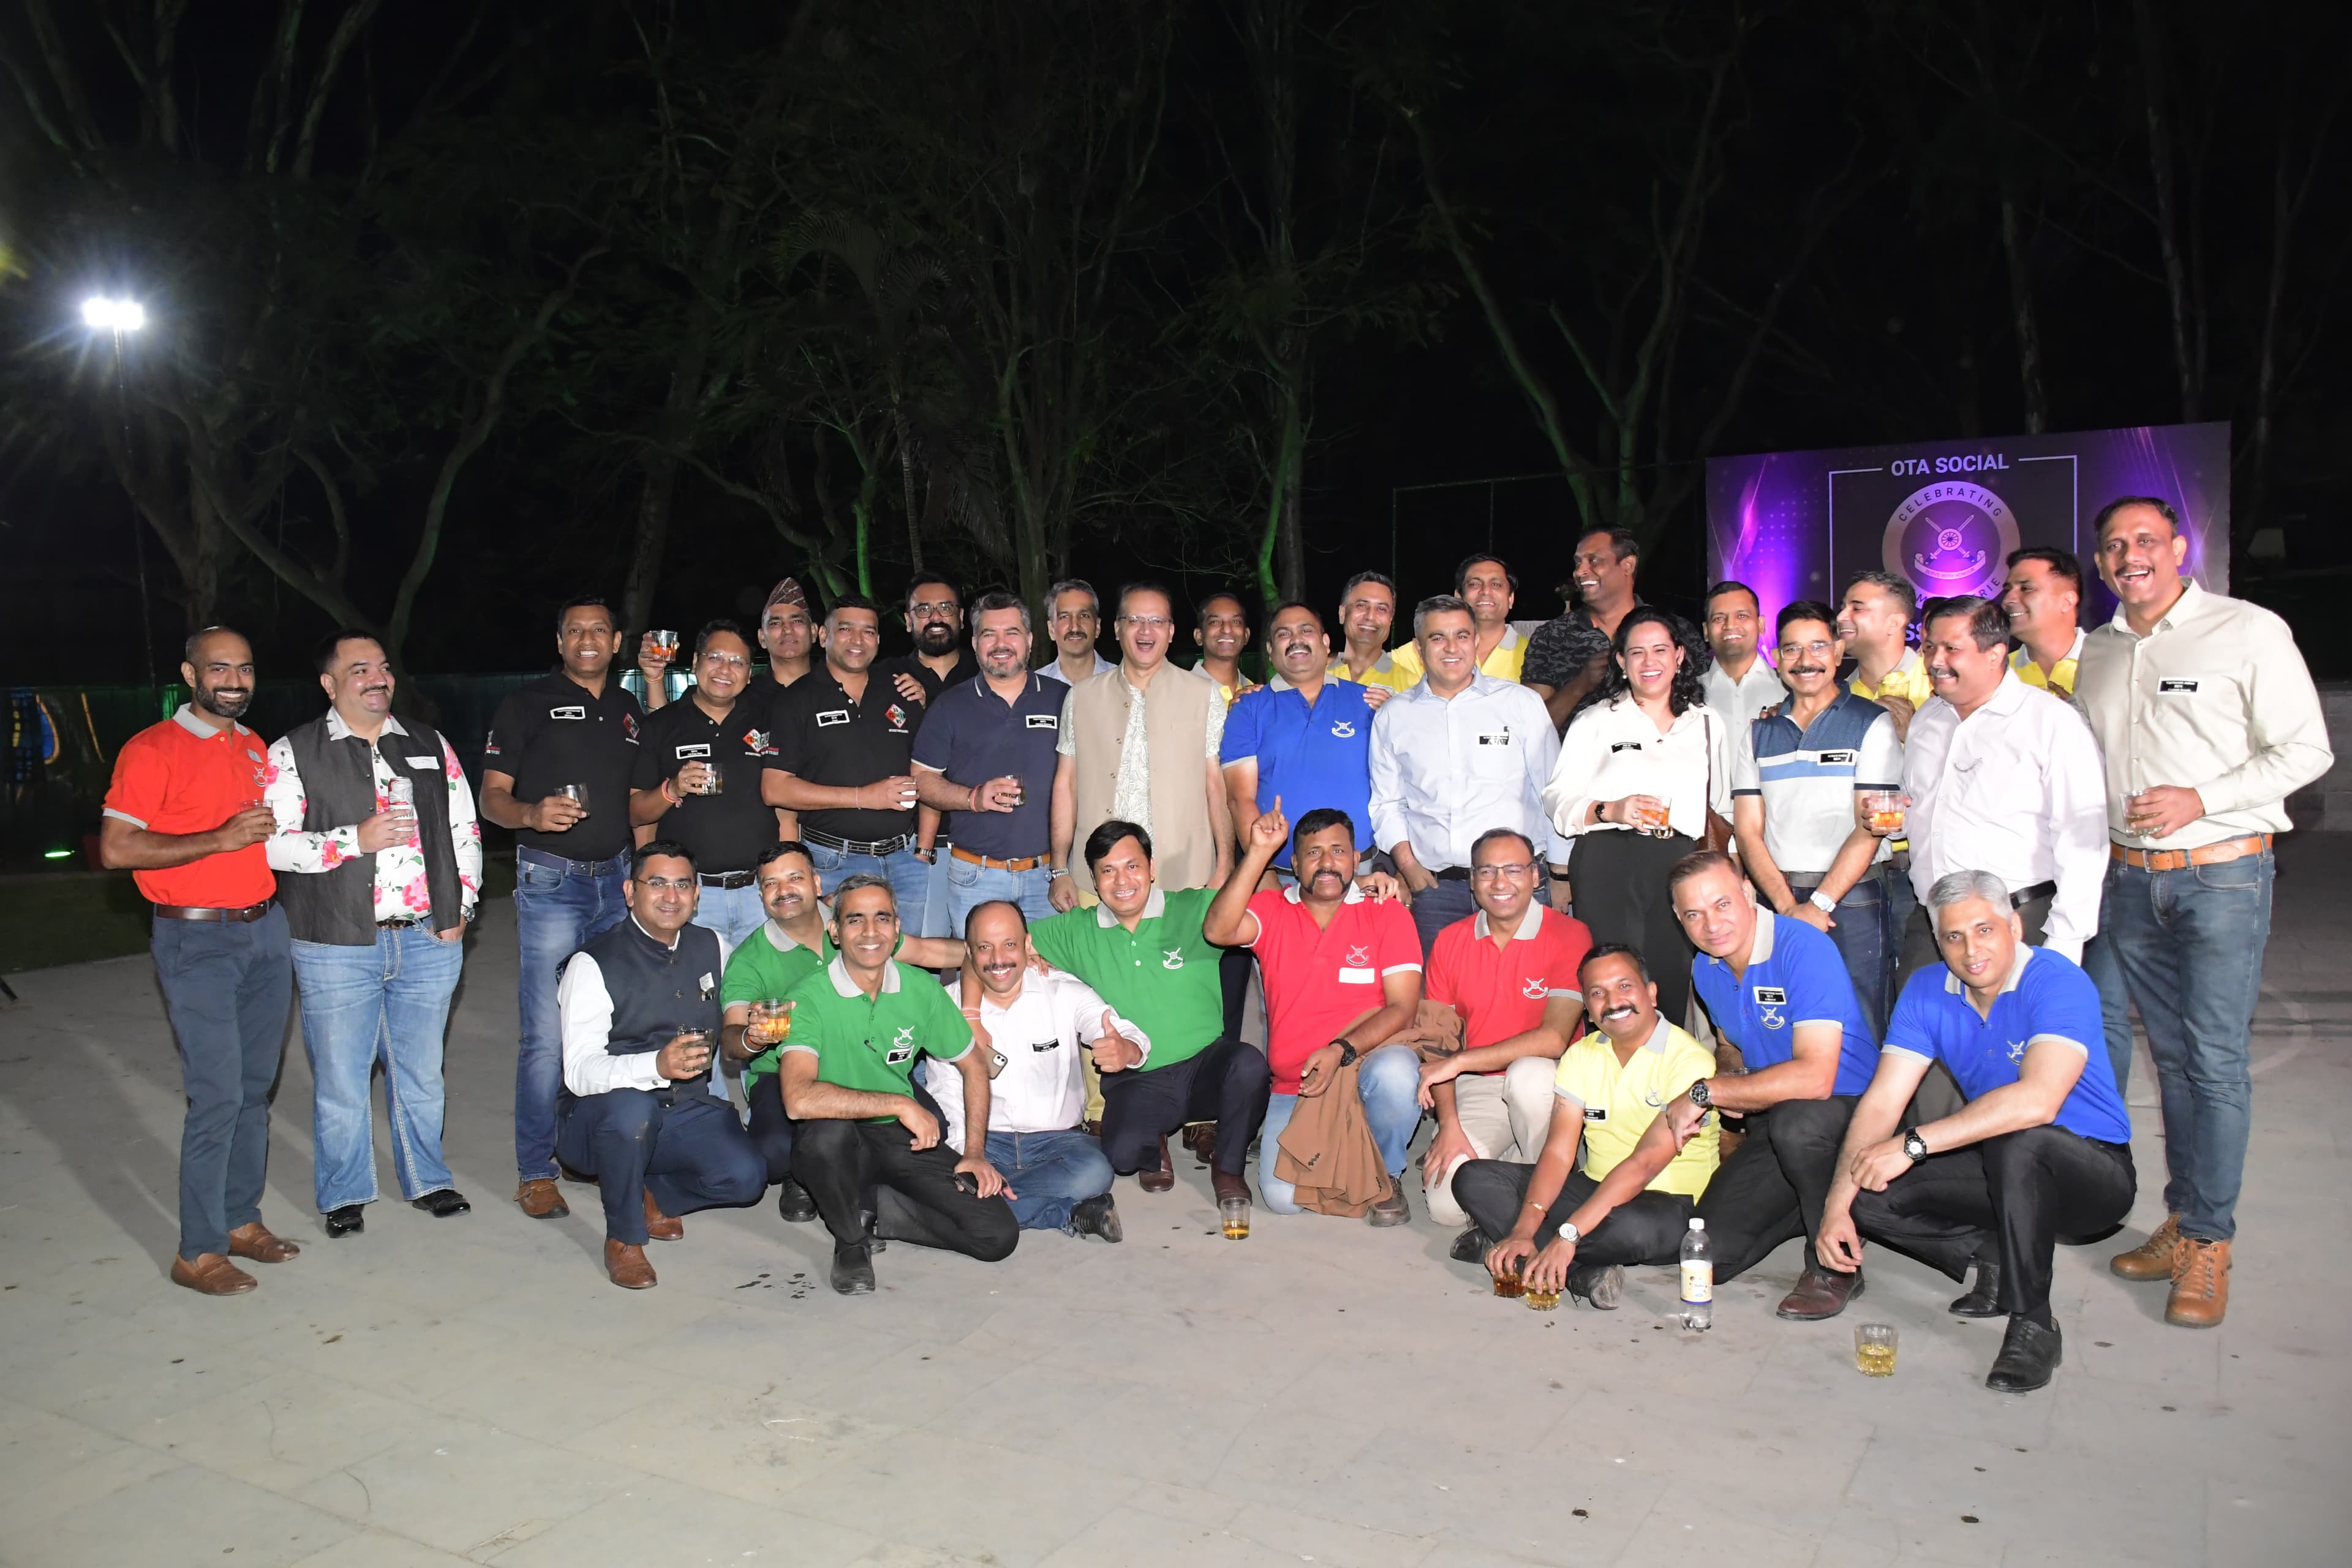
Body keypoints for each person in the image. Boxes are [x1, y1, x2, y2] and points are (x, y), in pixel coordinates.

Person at [2076, 496, 2332, 1327]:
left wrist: (2203, 799)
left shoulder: (2248, 631)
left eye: (2145, 541)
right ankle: (2183, 1220)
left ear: (2180, 548)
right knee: (2176, 1066)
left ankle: (2211, 1243)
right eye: (2114, 547)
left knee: (2215, 1063)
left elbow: (2306, 749)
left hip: (2220, 878)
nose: (2129, 557)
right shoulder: (2103, 651)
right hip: (2130, 881)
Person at [1815, 871, 2135, 1393]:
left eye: (1985, 929)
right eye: (1954, 937)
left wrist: (1913, 1144)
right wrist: (1836, 1208)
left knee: (2020, 1136)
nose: (1971, 950)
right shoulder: (1926, 990)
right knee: (1868, 1193)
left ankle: (2034, 1323)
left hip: (2092, 1172)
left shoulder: (2056, 981)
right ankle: (1994, 1251)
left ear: (2015, 926)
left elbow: (2039, 1100)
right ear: (1938, 941)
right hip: (2002, 1167)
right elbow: (1881, 1103)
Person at [99, 627, 300, 1295]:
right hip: (197, 941)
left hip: (265, 932)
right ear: (191, 673)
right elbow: (117, 849)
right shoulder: (151, 749)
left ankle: (241, 1218)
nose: (235, 681)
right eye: (220, 669)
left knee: (253, 1090)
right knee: (215, 1094)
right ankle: (198, 1250)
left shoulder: (252, 747)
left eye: (245, 668)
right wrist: (218, 838)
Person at [265, 630, 480, 1238]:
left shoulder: (428, 743)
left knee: (421, 1069)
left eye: (383, 667)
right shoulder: (293, 751)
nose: (377, 678)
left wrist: (462, 904)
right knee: (340, 1075)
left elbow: (464, 828)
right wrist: (350, 841)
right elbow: (273, 845)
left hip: (425, 936)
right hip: (334, 938)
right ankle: (344, 1191)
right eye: (359, 669)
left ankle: (428, 1178)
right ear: (330, 685)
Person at [481, 595, 647, 1221]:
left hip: (618, 880)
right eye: (574, 629)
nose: (586, 639)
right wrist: (529, 814)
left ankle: (604, 1150)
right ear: (559, 641)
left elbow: (638, 799)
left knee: (616, 1025)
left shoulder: (629, 709)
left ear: (616, 639)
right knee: (547, 1035)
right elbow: (491, 796)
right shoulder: (526, 704)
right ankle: (536, 1169)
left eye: (598, 629)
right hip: (553, 883)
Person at [777, 875, 1019, 1294]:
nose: (870, 932)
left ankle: (874, 1206)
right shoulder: (808, 996)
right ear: (834, 931)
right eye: (855, 920)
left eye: (882, 919)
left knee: (996, 1237)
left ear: (896, 928)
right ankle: (850, 1241)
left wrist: (975, 1153)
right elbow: (798, 1099)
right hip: (833, 1132)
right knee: (825, 1140)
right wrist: (902, 1103)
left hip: (896, 1137)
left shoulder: (920, 988)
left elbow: (974, 1066)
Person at [1668, 851, 1883, 1318]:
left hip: (1848, 1115)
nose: (1711, 925)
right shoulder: (1707, 966)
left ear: (1748, 893)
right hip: (1779, 1120)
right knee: (1713, 1254)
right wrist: (1731, 1078)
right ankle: (1813, 1201)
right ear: (1679, 919)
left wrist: (1706, 1092)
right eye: (1693, 914)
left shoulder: (1801, 946)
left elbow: (1816, 1077)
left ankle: (1833, 1266)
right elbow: (1731, 1045)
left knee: (1796, 1122)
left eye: (1722, 904)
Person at [1455, 944, 1720, 1309]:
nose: (1614, 1001)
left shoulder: (1689, 1060)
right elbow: (1560, 1152)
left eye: (1625, 986)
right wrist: (1523, 1228)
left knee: (1629, 1231)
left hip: (1666, 1203)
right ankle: (1580, 1272)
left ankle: (1530, 1250)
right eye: (1598, 993)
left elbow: (1644, 1164)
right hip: (1595, 1187)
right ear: (1588, 1009)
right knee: (1473, 1178)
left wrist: (1569, 1233)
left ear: (1652, 993)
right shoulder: (1582, 1054)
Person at [553, 840, 767, 1289]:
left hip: (682, 1109)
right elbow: (578, 1072)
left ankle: (648, 1190)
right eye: (657, 884)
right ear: (631, 892)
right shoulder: (593, 963)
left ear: (696, 895)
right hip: (600, 1118)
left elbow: (743, 1007)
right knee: (632, 1112)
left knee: (747, 1178)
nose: (671, 897)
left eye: (683, 885)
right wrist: (655, 1064)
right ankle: (625, 1239)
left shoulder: (712, 946)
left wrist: (757, 1025)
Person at [718, 840, 968, 1223]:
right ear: (761, 895)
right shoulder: (749, 960)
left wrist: (995, 951)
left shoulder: (859, 923)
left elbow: (930, 954)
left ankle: (862, 1181)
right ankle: (803, 1176)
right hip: (786, 1070)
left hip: (866, 1057)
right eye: (771, 884)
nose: (784, 890)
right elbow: (733, 1041)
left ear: (817, 883)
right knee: (774, 1153)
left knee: (934, 1123)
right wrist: (754, 1038)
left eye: (795, 878)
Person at [1028, 820, 1270, 1204]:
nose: (1121, 880)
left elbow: (1276, 906)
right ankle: (1152, 1136)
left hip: (1203, 1064)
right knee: (1122, 1157)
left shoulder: (1196, 907)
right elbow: (1003, 942)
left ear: (1152, 869)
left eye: (1132, 866)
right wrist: (1030, 957)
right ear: (1093, 879)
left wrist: (1258, 852)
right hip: (1137, 1076)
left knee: (1249, 1065)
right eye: (1107, 870)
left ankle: (1228, 1168)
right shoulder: (1078, 930)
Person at [1205, 802, 1422, 1221]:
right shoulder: (1273, 910)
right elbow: (1218, 930)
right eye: (1313, 853)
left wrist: (1340, 1049)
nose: (1327, 863)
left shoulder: (1384, 912)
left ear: (1356, 858)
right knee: (1284, 1200)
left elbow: (1403, 1008)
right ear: (1295, 864)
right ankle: (1343, 1153)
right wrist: (1256, 852)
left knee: (1397, 1072)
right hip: (1298, 1086)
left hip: (1363, 1068)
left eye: (1338, 851)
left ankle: (1386, 1173)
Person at [1543, 605, 1737, 1029]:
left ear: (1680, 656)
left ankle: (1664, 1084)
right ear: (1620, 661)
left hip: (1682, 862)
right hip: (1608, 860)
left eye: (1660, 650)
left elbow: (1722, 807)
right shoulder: (1597, 720)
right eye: (1636, 653)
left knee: (1669, 979)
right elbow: (1556, 798)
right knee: (1616, 980)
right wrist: (1612, 809)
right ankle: (1610, 1085)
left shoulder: (1706, 723)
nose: (1649, 663)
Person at [1893, 597, 2105, 976]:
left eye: (1952, 649)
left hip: (2021, 921)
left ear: (1995, 653)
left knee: (2021, 1035)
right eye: (1929, 648)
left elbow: (2082, 838)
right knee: (1920, 1032)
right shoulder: (1928, 718)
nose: (1935, 661)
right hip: (1933, 922)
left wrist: (2065, 942)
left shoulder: (2050, 721)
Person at [1730, 600, 1904, 1036]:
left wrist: (1820, 903)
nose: (1805, 661)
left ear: (1839, 651)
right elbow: (1748, 832)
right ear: (1776, 657)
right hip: (1779, 895)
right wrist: (1789, 907)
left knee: (1863, 1021)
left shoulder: (1873, 723)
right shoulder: (1759, 732)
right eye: (1791, 650)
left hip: (1854, 897)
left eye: (1818, 647)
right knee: (1786, 1022)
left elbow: (1872, 825)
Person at [1412, 827, 1591, 1245]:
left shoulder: (1569, 934)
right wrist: (1449, 1124)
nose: (1500, 882)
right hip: (1479, 1087)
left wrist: (1459, 1062)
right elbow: (1441, 1047)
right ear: (1472, 882)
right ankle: (1515, 1167)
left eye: (1513, 870)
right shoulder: (1450, 940)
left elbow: (1553, 1040)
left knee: (1530, 1076)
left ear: (1535, 877)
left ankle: (1546, 1197)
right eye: (1487, 871)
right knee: (1444, 1207)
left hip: (1545, 1084)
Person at [924, 900, 1137, 1239]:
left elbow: (1115, 1028)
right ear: (968, 951)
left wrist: (1126, 1048)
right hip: (985, 1140)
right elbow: (946, 1090)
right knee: (946, 1175)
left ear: (1027, 944)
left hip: (1058, 1144)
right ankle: (1065, 1212)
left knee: (1094, 1173)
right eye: (984, 947)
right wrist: (971, 1156)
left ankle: (982, 1204)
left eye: (1009, 944)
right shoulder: (947, 1007)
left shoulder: (1062, 991)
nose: (998, 960)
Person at [1369, 594, 1566, 956]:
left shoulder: (1520, 704)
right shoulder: (1394, 716)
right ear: (1418, 648)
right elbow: (1387, 803)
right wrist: (1408, 866)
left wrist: (1560, 874)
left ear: (1475, 641)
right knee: (1442, 1008)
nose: (1451, 648)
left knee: (1526, 1001)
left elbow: (1553, 791)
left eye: (1461, 635)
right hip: (1437, 892)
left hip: (1519, 885)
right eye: (1437, 638)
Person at [1050, 582, 1235, 907]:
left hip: (1184, 878)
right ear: (1118, 629)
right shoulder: (1081, 697)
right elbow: (1066, 784)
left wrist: (1225, 865)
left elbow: (1216, 786)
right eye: (1135, 620)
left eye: (1157, 621)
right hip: (1095, 880)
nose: (1146, 630)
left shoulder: (1204, 696)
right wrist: (1058, 868)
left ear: (1172, 631)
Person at [761, 594, 931, 922]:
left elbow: (929, 771)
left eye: (868, 631)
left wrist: (922, 848)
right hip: (833, 861)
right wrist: (864, 797)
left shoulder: (903, 692)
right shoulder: (795, 700)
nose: (857, 640)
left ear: (878, 641)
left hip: (906, 860)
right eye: (845, 629)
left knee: (908, 964)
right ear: (823, 636)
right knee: (838, 966)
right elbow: (775, 789)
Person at [912, 590, 1067, 930]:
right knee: (982, 976)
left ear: (1028, 640)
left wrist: (1063, 869)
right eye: (988, 634)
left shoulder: (1063, 700)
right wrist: (974, 798)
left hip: (1049, 878)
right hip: (975, 877)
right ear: (974, 642)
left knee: (1053, 977)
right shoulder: (949, 707)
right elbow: (921, 781)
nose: (1001, 643)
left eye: (1011, 633)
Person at [628, 620, 788, 948]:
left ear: (748, 674)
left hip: (760, 895)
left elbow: (786, 812)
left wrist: (785, 880)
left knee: (763, 994)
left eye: (738, 662)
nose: (725, 670)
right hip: (690, 899)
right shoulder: (660, 726)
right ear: (695, 663)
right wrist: (671, 789)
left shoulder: (770, 720)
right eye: (715, 657)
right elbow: (636, 813)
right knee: (693, 995)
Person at [1221, 601, 1376, 876]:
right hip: (1280, 877)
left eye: (1306, 631)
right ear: (1270, 651)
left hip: (1361, 873)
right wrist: (1261, 872)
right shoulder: (1248, 708)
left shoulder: (1368, 702)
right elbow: (1239, 799)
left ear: (1326, 642)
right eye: (1283, 634)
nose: (1296, 640)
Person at [1524, 527, 1644, 732]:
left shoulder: (1671, 632)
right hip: (1574, 763)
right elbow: (1531, 730)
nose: (1580, 572)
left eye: (1594, 560)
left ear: (1628, 565)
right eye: (1578, 563)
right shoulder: (1551, 636)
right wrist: (1580, 685)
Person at [1836, 571, 1932, 742]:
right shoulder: (1837, 695)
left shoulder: (1938, 685)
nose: (1841, 617)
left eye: (1857, 608)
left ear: (1893, 624)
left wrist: (1916, 738)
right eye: (1843, 608)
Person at [1698, 581, 1785, 725]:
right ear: (1706, 631)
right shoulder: (1687, 695)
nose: (1730, 625)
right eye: (1719, 618)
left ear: (1761, 625)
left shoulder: (1789, 689)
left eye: (1742, 616)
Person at [1326, 570, 1417, 708]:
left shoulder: (1413, 687)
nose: (1370, 616)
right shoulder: (1316, 676)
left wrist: (1396, 714)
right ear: (1342, 613)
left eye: (1381, 609)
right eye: (1362, 606)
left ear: (1390, 620)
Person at [2001, 548, 2086, 695]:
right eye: (2008, 590)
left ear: (2067, 601)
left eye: (2026, 588)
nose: (2008, 600)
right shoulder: (1997, 675)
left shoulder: (2111, 664)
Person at [1037, 577, 1117, 687]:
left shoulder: (1121, 683)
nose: (1075, 627)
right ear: (1051, 630)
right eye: (1064, 617)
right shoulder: (1035, 687)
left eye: (1084, 616)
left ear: (1097, 627)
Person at [1192, 590, 1259, 705]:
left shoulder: (1255, 693)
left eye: (1236, 622)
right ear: (1199, 636)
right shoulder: (1179, 691)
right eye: (1215, 622)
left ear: (1246, 635)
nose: (1227, 629)